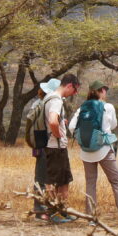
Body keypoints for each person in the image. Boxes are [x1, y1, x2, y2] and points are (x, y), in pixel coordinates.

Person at [69, 81, 118, 227]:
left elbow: (71, 127)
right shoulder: (108, 107)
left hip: (86, 151)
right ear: (101, 91)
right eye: (105, 90)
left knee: (90, 183)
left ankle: (91, 218)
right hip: (104, 149)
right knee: (117, 181)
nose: (106, 92)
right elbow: (113, 125)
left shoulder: (82, 107)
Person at [43, 73, 80, 223]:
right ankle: (55, 214)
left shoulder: (49, 97)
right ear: (69, 85)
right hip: (56, 146)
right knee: (59, 182)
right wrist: (58, 135)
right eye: (75, 90)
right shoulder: (56, 100)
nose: (74, 93)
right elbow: (52, 121)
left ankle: (61, 212)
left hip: (52, 146)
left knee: (59, 181)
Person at [24, 77, 60, 220]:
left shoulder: (37, 104)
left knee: (40, 176)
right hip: (47, 144)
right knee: (45, 178)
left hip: (39, 144)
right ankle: (42, 209)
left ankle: (40, 208)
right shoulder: (48, 104)